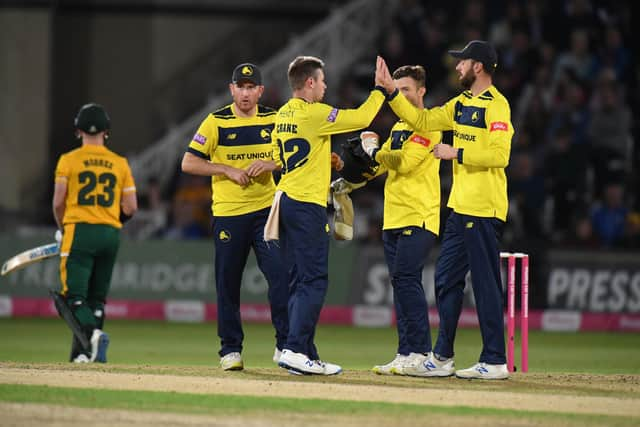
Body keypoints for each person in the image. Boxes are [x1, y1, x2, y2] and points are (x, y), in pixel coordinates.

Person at [377, 40, 514, 379]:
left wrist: (457, 154)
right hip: (458, 207)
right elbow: (421, 119)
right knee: (444, 279)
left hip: (483, 206)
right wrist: (392, 92)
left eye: (462, 62)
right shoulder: (460, 103)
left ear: (477, 67)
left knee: (484, 284)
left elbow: (500, 156)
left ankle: (495, 359)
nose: (457, 68)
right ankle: (442, 357)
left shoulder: (497, 106)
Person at [270, 56, 387, 375]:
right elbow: (362, 117)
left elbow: (288, 155)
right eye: (321, 81)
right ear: (309, 83)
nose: (325, 86)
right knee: (315, 280)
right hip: (307, 205)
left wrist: (325, 161)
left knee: (298, 281)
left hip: (287, 201)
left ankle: (300, 350)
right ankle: (294, 349)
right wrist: (381, 90)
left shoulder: (283, 115)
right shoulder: (315, 113)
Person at [181, 63, 289, 371]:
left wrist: (272, 163)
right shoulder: (216, 122)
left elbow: (292, 155)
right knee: (227, 283)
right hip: (229, 215)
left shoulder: (275, 119)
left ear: (260, 91)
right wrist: (225, 169)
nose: (244, 93)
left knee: (280, 277)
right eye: (239, 87)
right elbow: (188, 162)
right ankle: (230, 350)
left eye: (250, 87)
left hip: (267, 212)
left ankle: (286, 347)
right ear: (231, 90)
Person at [360, 65, 448, 377]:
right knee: (400, 284)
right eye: (397, 90)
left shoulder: (429, 126)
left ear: (421, 91)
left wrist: (373, 152)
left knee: (407, 280)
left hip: (420, 215)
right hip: (393, 217)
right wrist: (349, 174)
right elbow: (379, 167)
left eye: (407, 90)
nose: (401, 95)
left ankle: (421, 350)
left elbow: (405, 162)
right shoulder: (399, 128)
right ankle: (405, 352)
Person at [52, 103, 138, 363]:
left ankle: (92, 335)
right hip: (111, 233)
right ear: (106, 132)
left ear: (78, 131)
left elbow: (58, 202)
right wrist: (112, 219)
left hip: (79, 230)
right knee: (97, 299)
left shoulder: (69, 160)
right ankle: (83, 355)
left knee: (74, 298)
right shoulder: (120, 163)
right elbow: (132, 208)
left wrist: (63, 228)